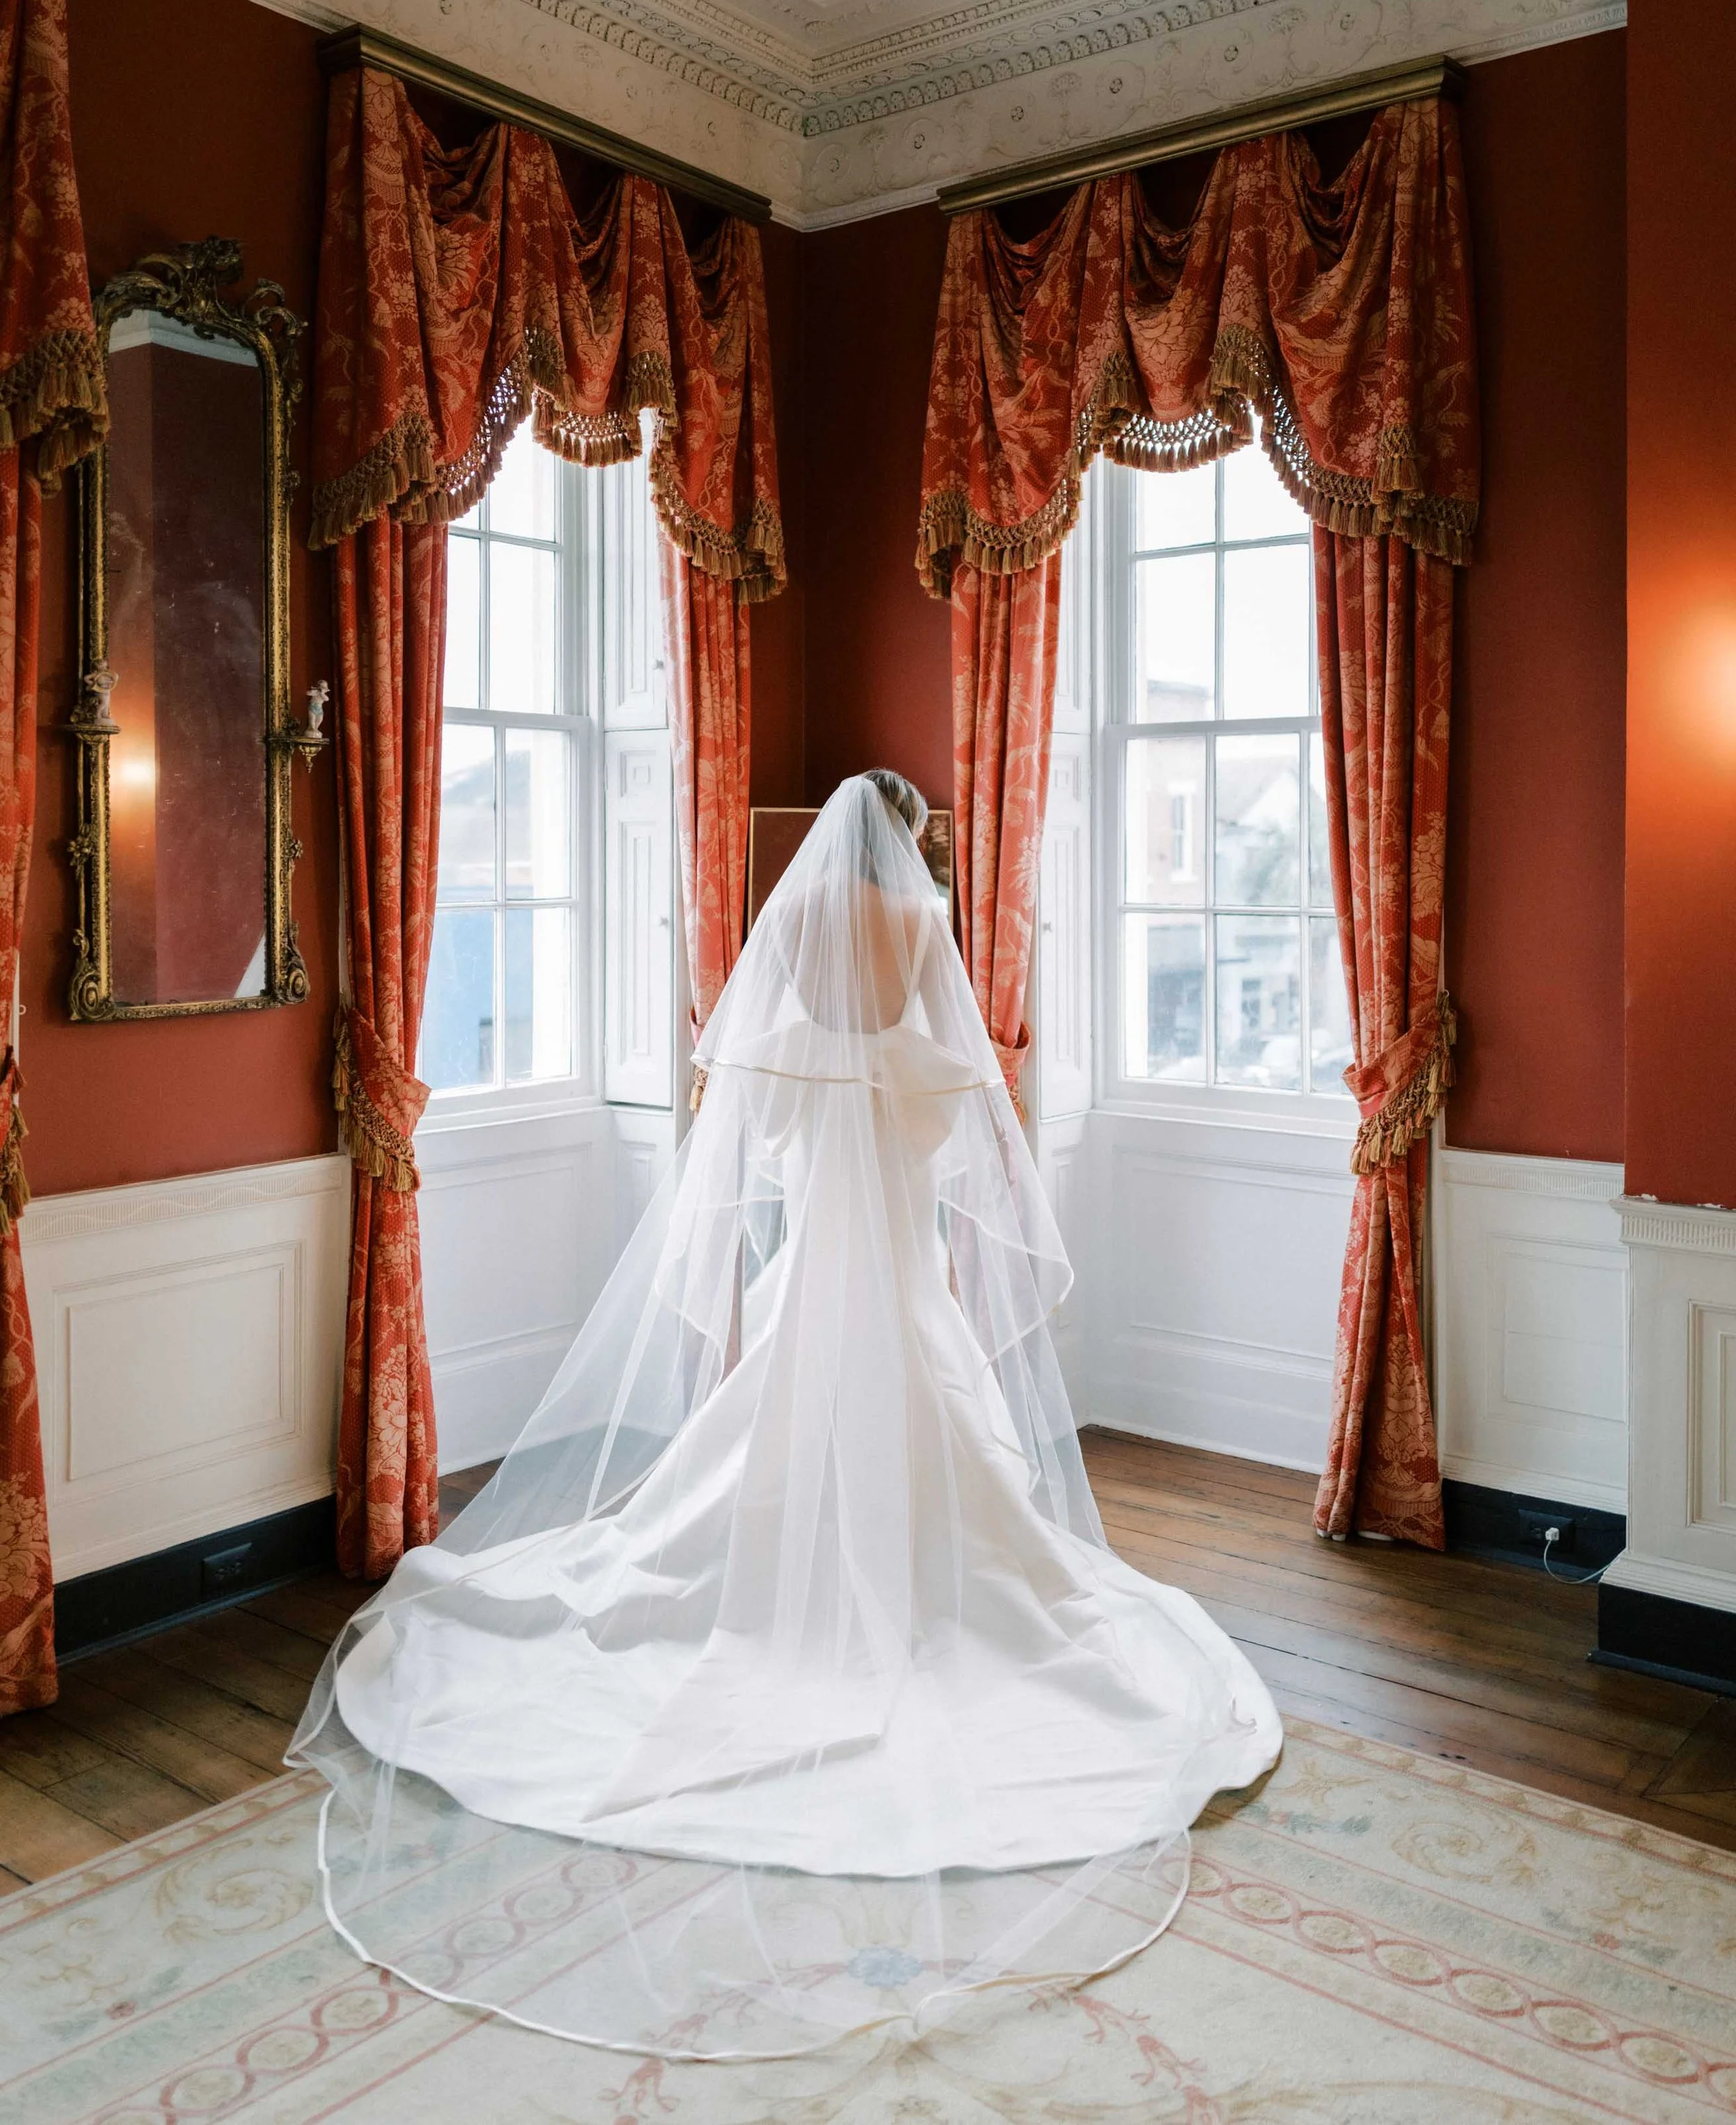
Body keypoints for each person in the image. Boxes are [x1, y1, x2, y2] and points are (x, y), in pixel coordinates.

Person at [290, 771, 1280, 2058]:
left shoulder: (799, 930)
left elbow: (760, 1115)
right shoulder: (923, 931)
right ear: (915, 844)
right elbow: (951, 1099)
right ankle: (915, 1607)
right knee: (931, 1418)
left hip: (816, 1243)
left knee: (761, 1426)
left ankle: (758, 1597)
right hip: (895, 1244)